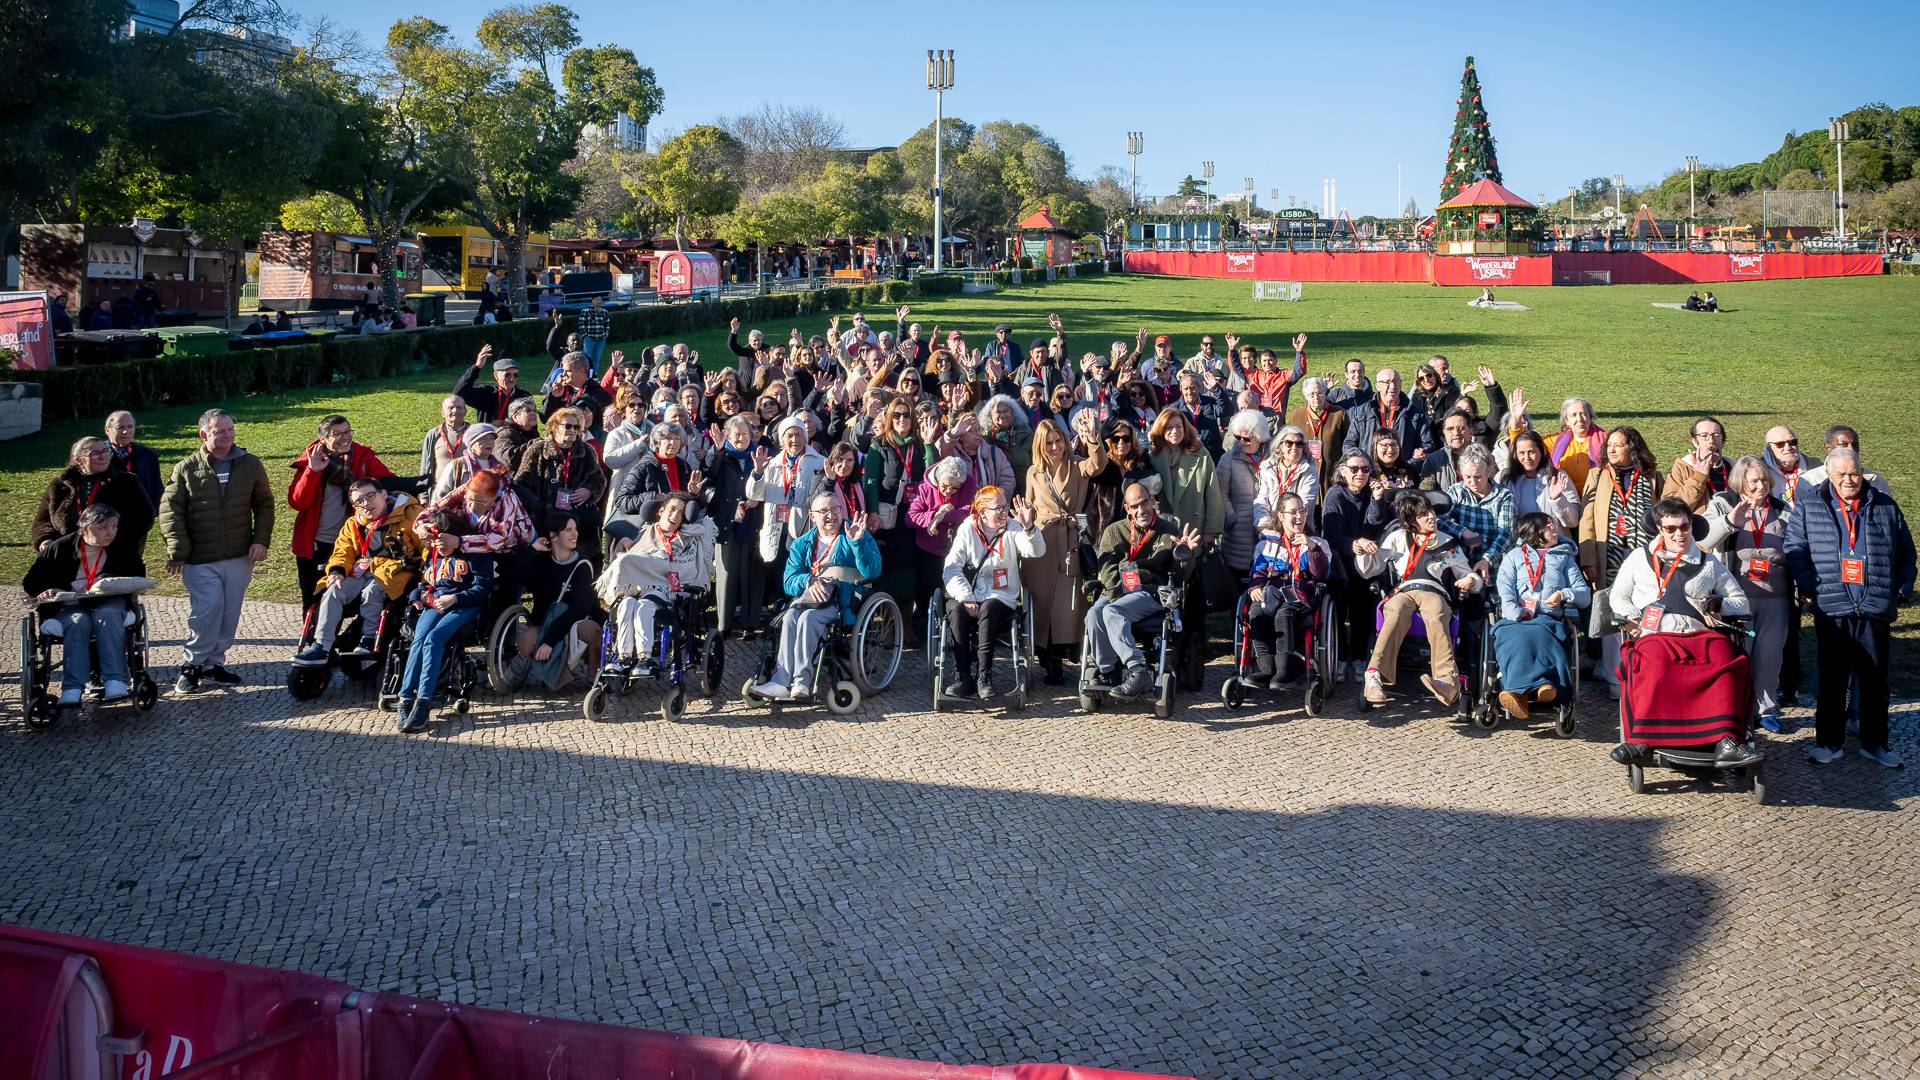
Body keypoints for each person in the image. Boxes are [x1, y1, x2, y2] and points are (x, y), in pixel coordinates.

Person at [1784, 449, 1915, 768]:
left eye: (1853, 473)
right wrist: (1809, 589)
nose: (1848, 480)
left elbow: (1907, 554)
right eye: (1841, 474)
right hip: (1832, 606)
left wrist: (1899, 590)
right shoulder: (1810, 505)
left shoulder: (1884, 505)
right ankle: (1828, 743)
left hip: (1874, 605)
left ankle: (1875, 744)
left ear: (1862, 473)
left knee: (1874, 681)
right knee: (1832, 680)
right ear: (1829, 474)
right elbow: (1795, 549)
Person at [1607, 497, 1758, 766]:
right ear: (1659, 528)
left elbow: (1741, 601)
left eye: (1684, 527)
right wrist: (1633, 617)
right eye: (1671, 528)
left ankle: (1726, 739)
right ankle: (1644, 738)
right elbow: (1618, 597)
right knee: (1653, 661)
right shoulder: (1639, 558)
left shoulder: (1708, 562)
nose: (1679, 534)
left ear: (1692, 526)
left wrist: (1717, 604)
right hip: (1655, 634)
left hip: (1698, 633)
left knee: (1727, 659)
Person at [158, 409, 274, 694]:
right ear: (203, 434)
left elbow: (264, 504)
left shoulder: (250, 464)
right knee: (207, 610)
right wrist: (178, 550)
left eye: (230, 429)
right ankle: (192, 664)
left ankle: (213, 665)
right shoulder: (185, 468)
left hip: (238, 555)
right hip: (200, 558)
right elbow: (171, 512)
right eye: (219, 430)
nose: (227, 435)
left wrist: (261, 540)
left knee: (229, 612)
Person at [1355, 489, 1485, 708]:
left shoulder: (1448, 543)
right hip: (1403, 591)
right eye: (1422, 514)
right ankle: (1374, 677)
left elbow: (1467, 573)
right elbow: (1370, 569)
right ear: (1411, 521)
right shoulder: (1397, 538)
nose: (1430, 517)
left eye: (1430, 511)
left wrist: (1471, 581)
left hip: (1433, 591)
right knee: (1395, 611)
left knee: (1435, 612)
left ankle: (1447, 681)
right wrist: (1363, 551)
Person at [747, 493, 881, 700]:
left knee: (809, 619)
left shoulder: (855, 533)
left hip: (843, 600)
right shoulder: (802, 544)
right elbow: (789, 581)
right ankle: (781, 680)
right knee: (791, 616)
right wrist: (808, 581)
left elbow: (872, 571)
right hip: (810, 599)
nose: (831, 515)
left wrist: (858, 543)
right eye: (824, 511)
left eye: (835, 509)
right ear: (812, 515)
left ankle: (801, 680)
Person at [1084, 482, 1202, 699]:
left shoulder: (1168, 532)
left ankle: (1138, 670)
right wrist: (1119, 594)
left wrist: (1185, 555)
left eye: (1145, 502)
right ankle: (1109, 671)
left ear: (1152, 501)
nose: (1142, 510)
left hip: (1151, 592)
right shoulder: (1114, 531)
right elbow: (1107, 570)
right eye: (1135, 505)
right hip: (1116, 592)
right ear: (1127, 509)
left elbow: (1178, 577)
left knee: (1112, 612)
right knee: (1093, 614)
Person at [1701, 456, 1791, 732]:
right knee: (1738, 654)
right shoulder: (1722, 503)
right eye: (1754, 481)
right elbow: (1704, 539)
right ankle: (1736, 708)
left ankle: (1766, 709)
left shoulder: (1781, 508)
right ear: (1741, 481)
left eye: (1765, 480)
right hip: (1736, 596)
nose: (1761, 485)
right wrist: (1730, 521)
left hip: (1776, 597)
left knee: (1770, 654)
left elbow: (1798, 544)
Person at [21, 505, 145, 705]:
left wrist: (105, 580)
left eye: (114, 526)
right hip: (69, 604)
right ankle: (72, 687)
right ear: (85, 528)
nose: (110, 532)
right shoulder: (59, 548)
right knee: (78, 621)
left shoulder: (122, 546)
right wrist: (50, 588)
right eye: (103, 527)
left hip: (107, 602)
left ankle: (115, 680)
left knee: (107, 616)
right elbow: (32, 581)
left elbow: (137, 574)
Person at [295, 479, 422, 662]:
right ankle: (321, 646)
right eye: (359, 502)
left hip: (396, 572)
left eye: (370, 496)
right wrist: (337, 571)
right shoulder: (353, 523)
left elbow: (427, 548)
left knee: (373, 591)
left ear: (383, 494)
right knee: (332, 590)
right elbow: (342, 551)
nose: (366, 504)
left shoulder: (410, 515)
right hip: (361, 569)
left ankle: (368, 640)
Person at [1579, 426, 1664, 698]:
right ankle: (1616, 677)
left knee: (1644, 611)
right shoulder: (1598, 475)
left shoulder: (1651, 477)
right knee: (1613, 612)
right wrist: (1589, 559)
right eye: (1609, 445)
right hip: (1610, 555)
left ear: (1633, 448)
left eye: (1618, 445)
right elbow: (1587, 521)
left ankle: (1643, 672)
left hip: (1642, 556)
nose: (1611, 449)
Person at [394, 510, 493, 732]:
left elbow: (482, 589)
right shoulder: (433, 554)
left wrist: (456, 598)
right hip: (436, 602)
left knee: (434, 639)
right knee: (419, 639)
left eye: (439, 541)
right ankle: (405, 698)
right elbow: (425, 582)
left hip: (465, 604)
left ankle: (424, 701)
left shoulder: (476, 552)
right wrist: (417, 599)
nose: (436, 546)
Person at [1024, 417, 1106, 685]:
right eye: (1049, 442)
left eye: (1058, 440)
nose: (1055, 446)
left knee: (1067, 603)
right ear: (1040, 444)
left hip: (1069, 540)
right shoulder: (1033, 472)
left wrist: (1092, 439)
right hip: (1042, 544)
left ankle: (1064, 652)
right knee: (1041, 601)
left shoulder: (1076, 466)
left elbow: (1098, 465)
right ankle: (1047, 659)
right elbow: (1029, 504)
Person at [940, 487, 1044, 699]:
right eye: (999, 507)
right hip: (968, 593)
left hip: (1001, 596)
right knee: (957, 611)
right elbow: (951, 568)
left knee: (988, 608)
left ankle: (983, 677)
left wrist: (1029, 526)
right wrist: (966, 596)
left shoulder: (1014, 527)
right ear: (982, 511)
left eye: (1005, 505)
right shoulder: (968, 528)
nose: (1005, 511)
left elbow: (1036, 551)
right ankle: (963, 677)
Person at [288, 415, 395, 614]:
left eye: (347, 432)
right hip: (316, 543)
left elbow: (388, 482)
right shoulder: (311, 460)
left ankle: (336, 639)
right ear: (323, 439)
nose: (345, 438)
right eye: (337, 434)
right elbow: (297, 502)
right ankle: (315, 641)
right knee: (313, 598)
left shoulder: (362, 457)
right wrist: (312, 471)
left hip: (352, 542)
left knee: (346, 599)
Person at [599, 493, 713, 678]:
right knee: (627, 604)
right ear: (661, 511)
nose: (676, 515)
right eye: (672, 509)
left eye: (681, 513)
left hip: (664, 592)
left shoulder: (688, 538)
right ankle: (623, 656)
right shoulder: (645, 534)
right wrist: (623, 549)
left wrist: (653, 563)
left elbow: (686, 567)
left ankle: (644, 657)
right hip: (636, 590)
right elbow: (632, 563)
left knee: (644, 606)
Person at [1490, 512, 1590, 720]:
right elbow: (1505, 589)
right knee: (1515, 637)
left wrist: (1563, 594)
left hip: (1548, 618)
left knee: (1541, 634)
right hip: (1517, 618)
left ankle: (1528, 690)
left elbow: (1584, 594)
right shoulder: (1513, 557)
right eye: (1550, 526)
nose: (1556, 529)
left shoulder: (1564, 558)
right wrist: (1516, 613)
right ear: (1535, 532)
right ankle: (1537, 689)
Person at [1239, 493, 1332, 687]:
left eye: (1302, 511)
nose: (1299, 516)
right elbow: (1257, 572)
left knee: (1284, 612)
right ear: (1280, 516)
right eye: (1293, 512)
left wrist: (1313, 548)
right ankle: (1266, 670)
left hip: (1301, 596)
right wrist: (1255, 587)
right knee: (1256, 610)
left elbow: (1322, 575)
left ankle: (1285, 670)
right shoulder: (1267, 545)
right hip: (1272, 594)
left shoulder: (1317, 543)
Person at [33, 436, 155, 573]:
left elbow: (144, 517)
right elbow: (42, 521)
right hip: (68, 557)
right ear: (78, 460)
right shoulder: (60, 486)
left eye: (105, 451)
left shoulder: (126, 483)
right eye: (95, 454)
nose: (103, 457)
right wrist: (46, 541)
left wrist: (111, 540)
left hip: (114, 558)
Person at [1322, 452, 1393, 683]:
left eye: (1365, 469)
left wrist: (1378, 499)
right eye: (1354, 469)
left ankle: (1360, 657)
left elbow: (1374, 526)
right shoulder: (1335, 495)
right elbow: (1332, 536)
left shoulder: (1372, 494)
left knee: (1363, 608)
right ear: (1343, 471)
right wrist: (1354, 544)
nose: (1360, 473)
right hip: (1341, 560)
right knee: (1340, 607)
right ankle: (1341, 657)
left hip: (1367, 563)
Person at [513, 407, 607, 559]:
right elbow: (521, 483)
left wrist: (589, 491)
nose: (572, 430)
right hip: (545, 520)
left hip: (577, 520)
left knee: (580, 563)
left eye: (576, 427)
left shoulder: (586, 450)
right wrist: (537, 506)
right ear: (554, 426)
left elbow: (599, 479)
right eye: (567, 426)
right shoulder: (538, 450)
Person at [1442, 447, 1514, 569]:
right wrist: (1464, 532)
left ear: (1489, 472)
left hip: (1494, 566)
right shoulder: (1457, 491)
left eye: (1478, 477)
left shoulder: (1503, 495)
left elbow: (1505, 533)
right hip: (1461, 566)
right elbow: (1440, 519)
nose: (1473, 482)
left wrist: (1487, 559)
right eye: (1468, 477)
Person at [1217, 410, 1270, 577]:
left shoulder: (1272, 457)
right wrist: (1232, 517)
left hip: (1267, 529)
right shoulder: (1228, 459)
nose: (1241, 442)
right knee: (1240, 579)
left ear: (1259, 436)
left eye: (1246, 438)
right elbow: (1221, 492)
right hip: (1239, 534)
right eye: (1237, 437)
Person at [1342, 367, 1431, 460]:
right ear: (1378, 386)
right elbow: (1349, 443)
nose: (1392, 386)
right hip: (1370, 471)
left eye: (1396, 381)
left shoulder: (1415, 413)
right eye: (1387, 382)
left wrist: (1413, 461)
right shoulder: (1362, 411)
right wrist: (1362, 463)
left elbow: (1428, 445)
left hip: (1402, 471)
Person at [1502, 429, 1580, 530]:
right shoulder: (1506, 479)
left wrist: (1557, 500)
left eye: (1531, 452)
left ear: (1541, 451)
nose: (1527, 457)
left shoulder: (1558, 477)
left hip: (1555, 543)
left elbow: (1573, 522)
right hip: (1521, 544)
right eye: (1521, 453)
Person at [1287, 376, 1349, 494]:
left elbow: (1348, 445)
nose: (1316, 397)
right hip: (1305, 478)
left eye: (1319, 393)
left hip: (1331, 478)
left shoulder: (1339, 414)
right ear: (1305, 396)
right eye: (1311, 394)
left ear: (1325, 393)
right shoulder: (1296, 415)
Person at [1666, 416, 1731, 511]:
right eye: (1704, 436)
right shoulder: (1683, 467)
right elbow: (1670, 508)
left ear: (1723, 441)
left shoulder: (1734, 467)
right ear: (1694, 442)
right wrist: (1698, 478)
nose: (1711, 441)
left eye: (1716, 435)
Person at [453, 346, 532, 424]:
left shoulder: (524, 396)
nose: (512, 379)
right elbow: (459, 392)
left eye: (515, 375)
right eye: (507, 375)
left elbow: (531, 424)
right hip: (488, 435)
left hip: (513, 436)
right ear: (496, 376)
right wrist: (477, 367)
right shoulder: (485, 393)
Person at [104, 411, 164, 509]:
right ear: (107, 430)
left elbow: (156, 487)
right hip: (108, 517)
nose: (126, 431)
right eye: (120, 427)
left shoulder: (147, 455)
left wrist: (153, 510)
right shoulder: (99, 455)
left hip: (141, 515)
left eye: (130, 427)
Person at [1547, 397, 1605, 493]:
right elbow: (1525, 444)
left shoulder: (1606, 440)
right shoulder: (1555, 441)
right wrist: (1517, 423)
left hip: (1596, 496)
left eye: (1583, 414)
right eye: (1574, 415)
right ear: (1567, 421)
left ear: (1590, 418)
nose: (1579, 419)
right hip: (1566, 496)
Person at [434, 424, 504, 500]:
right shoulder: (458, 465)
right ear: (472, 443)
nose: (489, 442)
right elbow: (440, 495)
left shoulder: (499, 467)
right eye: (483, 439)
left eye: (491, 438)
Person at [419, 396, 474, 483]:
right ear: (443, 413)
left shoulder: (474, 433)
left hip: (468, 489)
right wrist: (424, 494)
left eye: (459, 407)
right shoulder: (433, 435)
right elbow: (425, 465)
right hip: (439, 490)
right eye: (450, 408)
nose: (455, 411)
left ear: (465, 412)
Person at [576, 295, 610, 369]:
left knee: (597, 358)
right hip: (589, 339)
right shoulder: (585, 311)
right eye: (596, 299)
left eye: (600, 300)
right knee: (586, 358)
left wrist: (605, 334)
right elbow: (581, 324)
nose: (598, 301)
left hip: (601, 339)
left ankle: (594, 376)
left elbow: (607, 324)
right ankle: (586, 375)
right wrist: (585, 335)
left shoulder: (605, 312)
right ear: (593, 301)